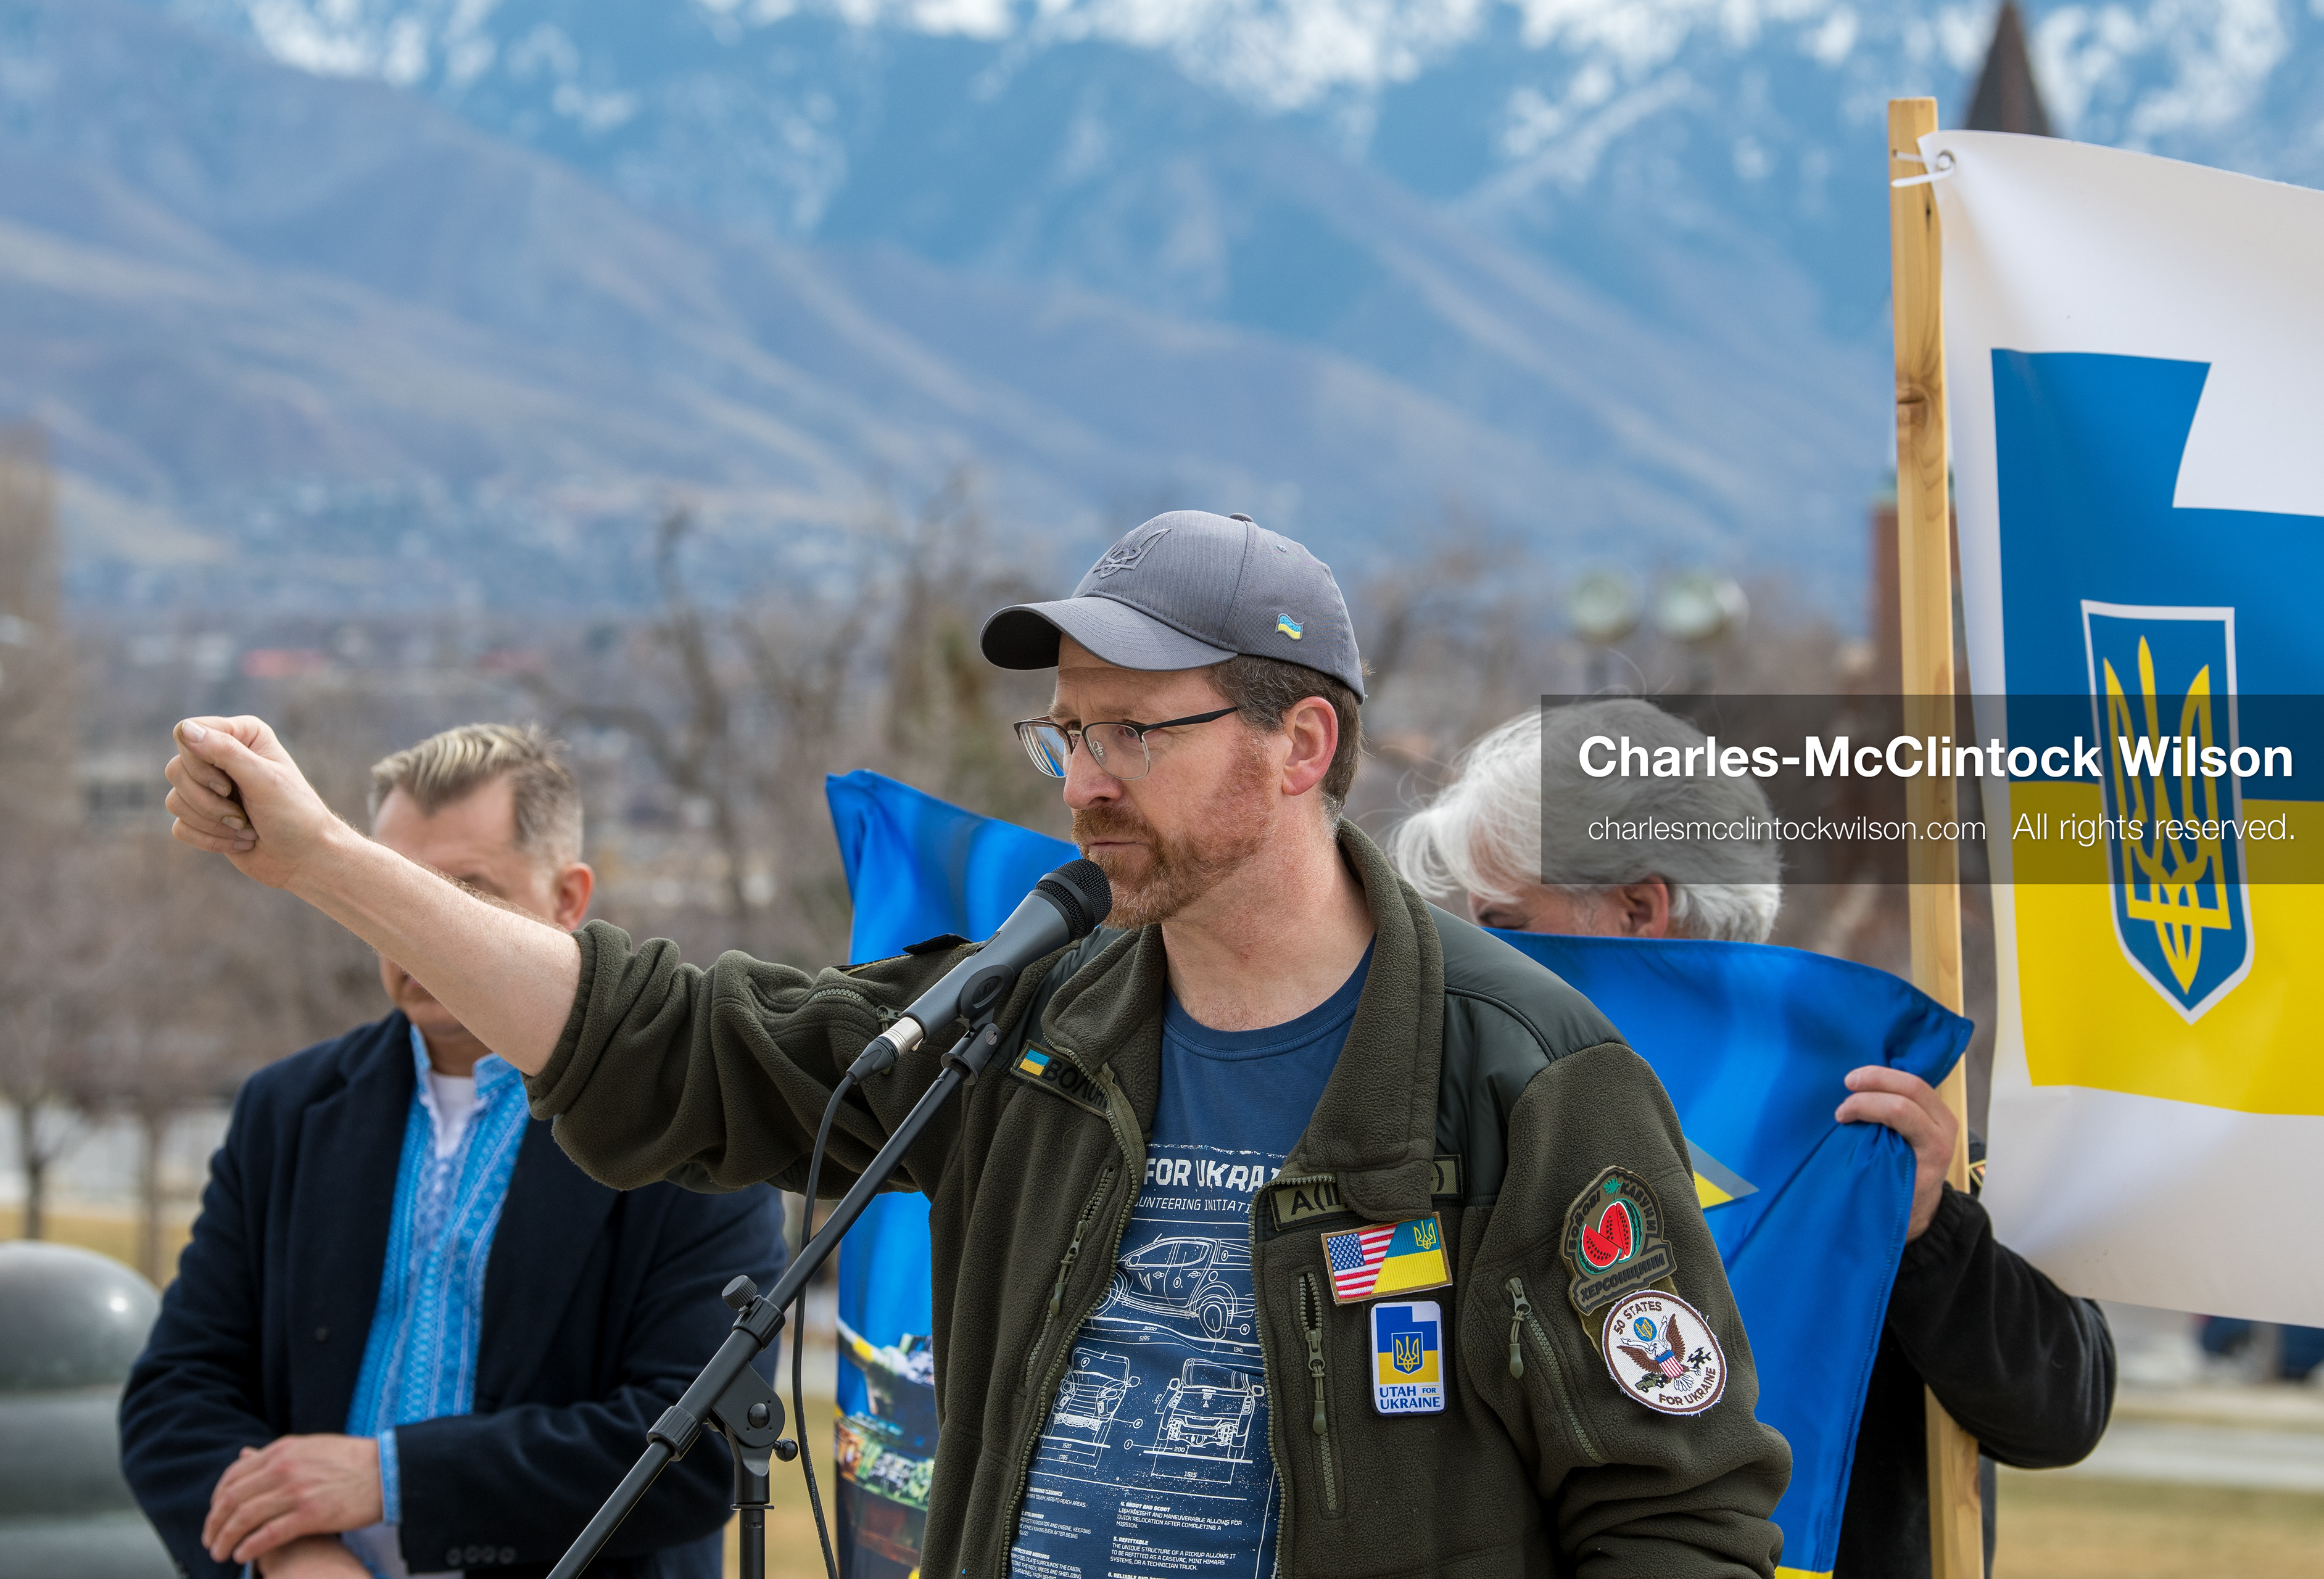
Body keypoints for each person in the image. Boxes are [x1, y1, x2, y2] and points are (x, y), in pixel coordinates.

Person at [161, 513, 1793, 1579]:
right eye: (1066, 729)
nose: (1081, 778)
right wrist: (319, 862)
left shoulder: (1526, 1075)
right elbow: (673, 1042)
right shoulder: (1026, 1014)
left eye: (1135, 732)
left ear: (1307, 743)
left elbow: (1676, 1515)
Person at [1391, 697, 2117, 1579]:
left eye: (1503, 922)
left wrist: (1932, 1231)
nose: (1480, 956)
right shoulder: (1468, 1100)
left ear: (1636, 913)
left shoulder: (1879, 1119)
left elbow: (2060, 1412)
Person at [123, 724, 790, 1579]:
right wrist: (288, 1554)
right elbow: (176, 1397)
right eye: (395, 884)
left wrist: (391, 1479)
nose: (419, 922)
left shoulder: (685, 1124)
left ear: (568, 900)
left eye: (467, 888)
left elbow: (702, 1445)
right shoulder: (284, 1111)